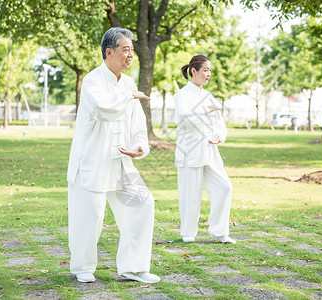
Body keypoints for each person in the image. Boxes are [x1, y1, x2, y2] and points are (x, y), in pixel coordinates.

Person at [66, 27, 160, 284]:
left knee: (143, 203)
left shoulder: (128, 83)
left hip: (121, 161)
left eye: (132, 50)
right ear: (109, 52)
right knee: (90, 216)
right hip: (93, 161)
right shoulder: (93, 80)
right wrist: (128, 94)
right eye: (125, 50)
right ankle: (83, 267)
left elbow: (138, 123)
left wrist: (140, 146)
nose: (131, 55)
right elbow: (102, 108)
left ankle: (133, 267)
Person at [174, 54, 235, 244]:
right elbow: (184, 118)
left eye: (210, 71)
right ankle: (188, 232)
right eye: (205, 70)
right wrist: (206, 110)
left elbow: (218, 120)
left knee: (224, 186)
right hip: (189, 150)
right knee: (190, 193)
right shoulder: (183, 95)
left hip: (209, 150)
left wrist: (219, 135)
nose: (208, 74)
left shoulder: (208, 96)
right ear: (194, 71)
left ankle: (219, 231)